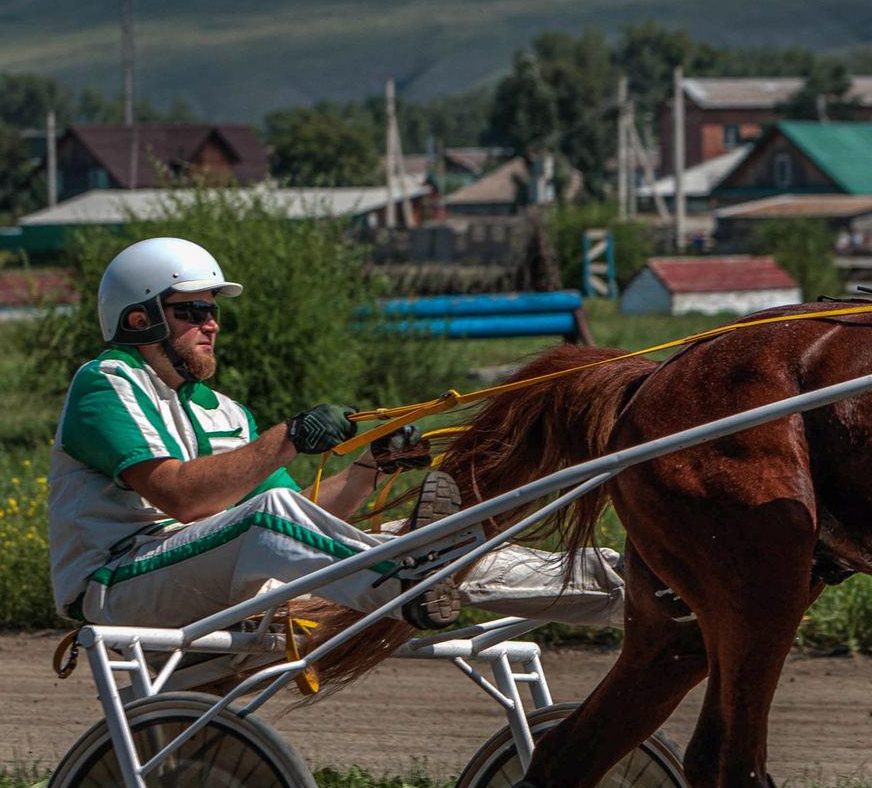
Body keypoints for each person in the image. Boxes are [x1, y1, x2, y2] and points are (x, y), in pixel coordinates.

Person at [50, 236, 625, 633]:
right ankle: (405, 580)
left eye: (211, 310)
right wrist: (291, 436)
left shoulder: (224, 411)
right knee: (280, 518)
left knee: (437, 539)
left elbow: (298, 514)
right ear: (139, 318)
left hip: (210, 570)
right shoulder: (106, 382)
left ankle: (631, 587)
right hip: (119, 583)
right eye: (192, 310)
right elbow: (180, 496)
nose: (212, 322)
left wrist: (368, 469)